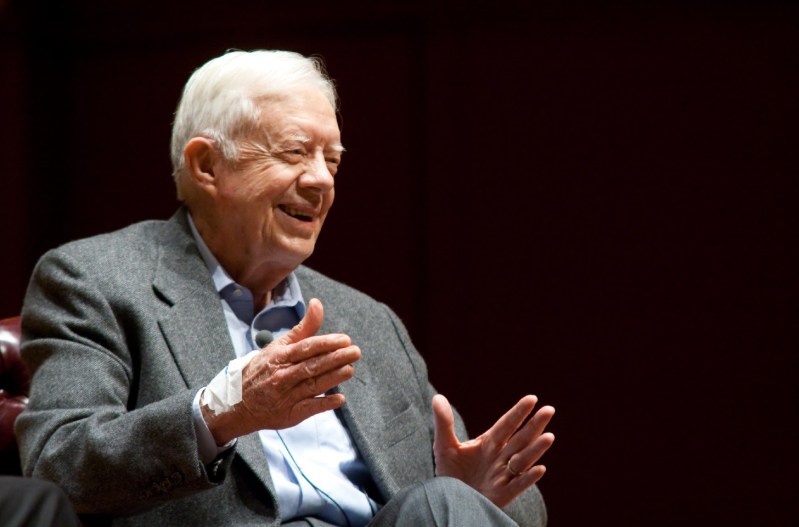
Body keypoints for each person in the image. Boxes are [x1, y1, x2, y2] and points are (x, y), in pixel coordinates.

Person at [15, 49, 555, 526]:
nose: (322, 179)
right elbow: (58, 465)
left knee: (443, 503)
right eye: (295, 152)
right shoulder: (96, 280)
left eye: (333, 160)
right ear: (206, 165)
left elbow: (482, 509)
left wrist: (473, 489)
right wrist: (222, 411)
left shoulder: (368, 321)